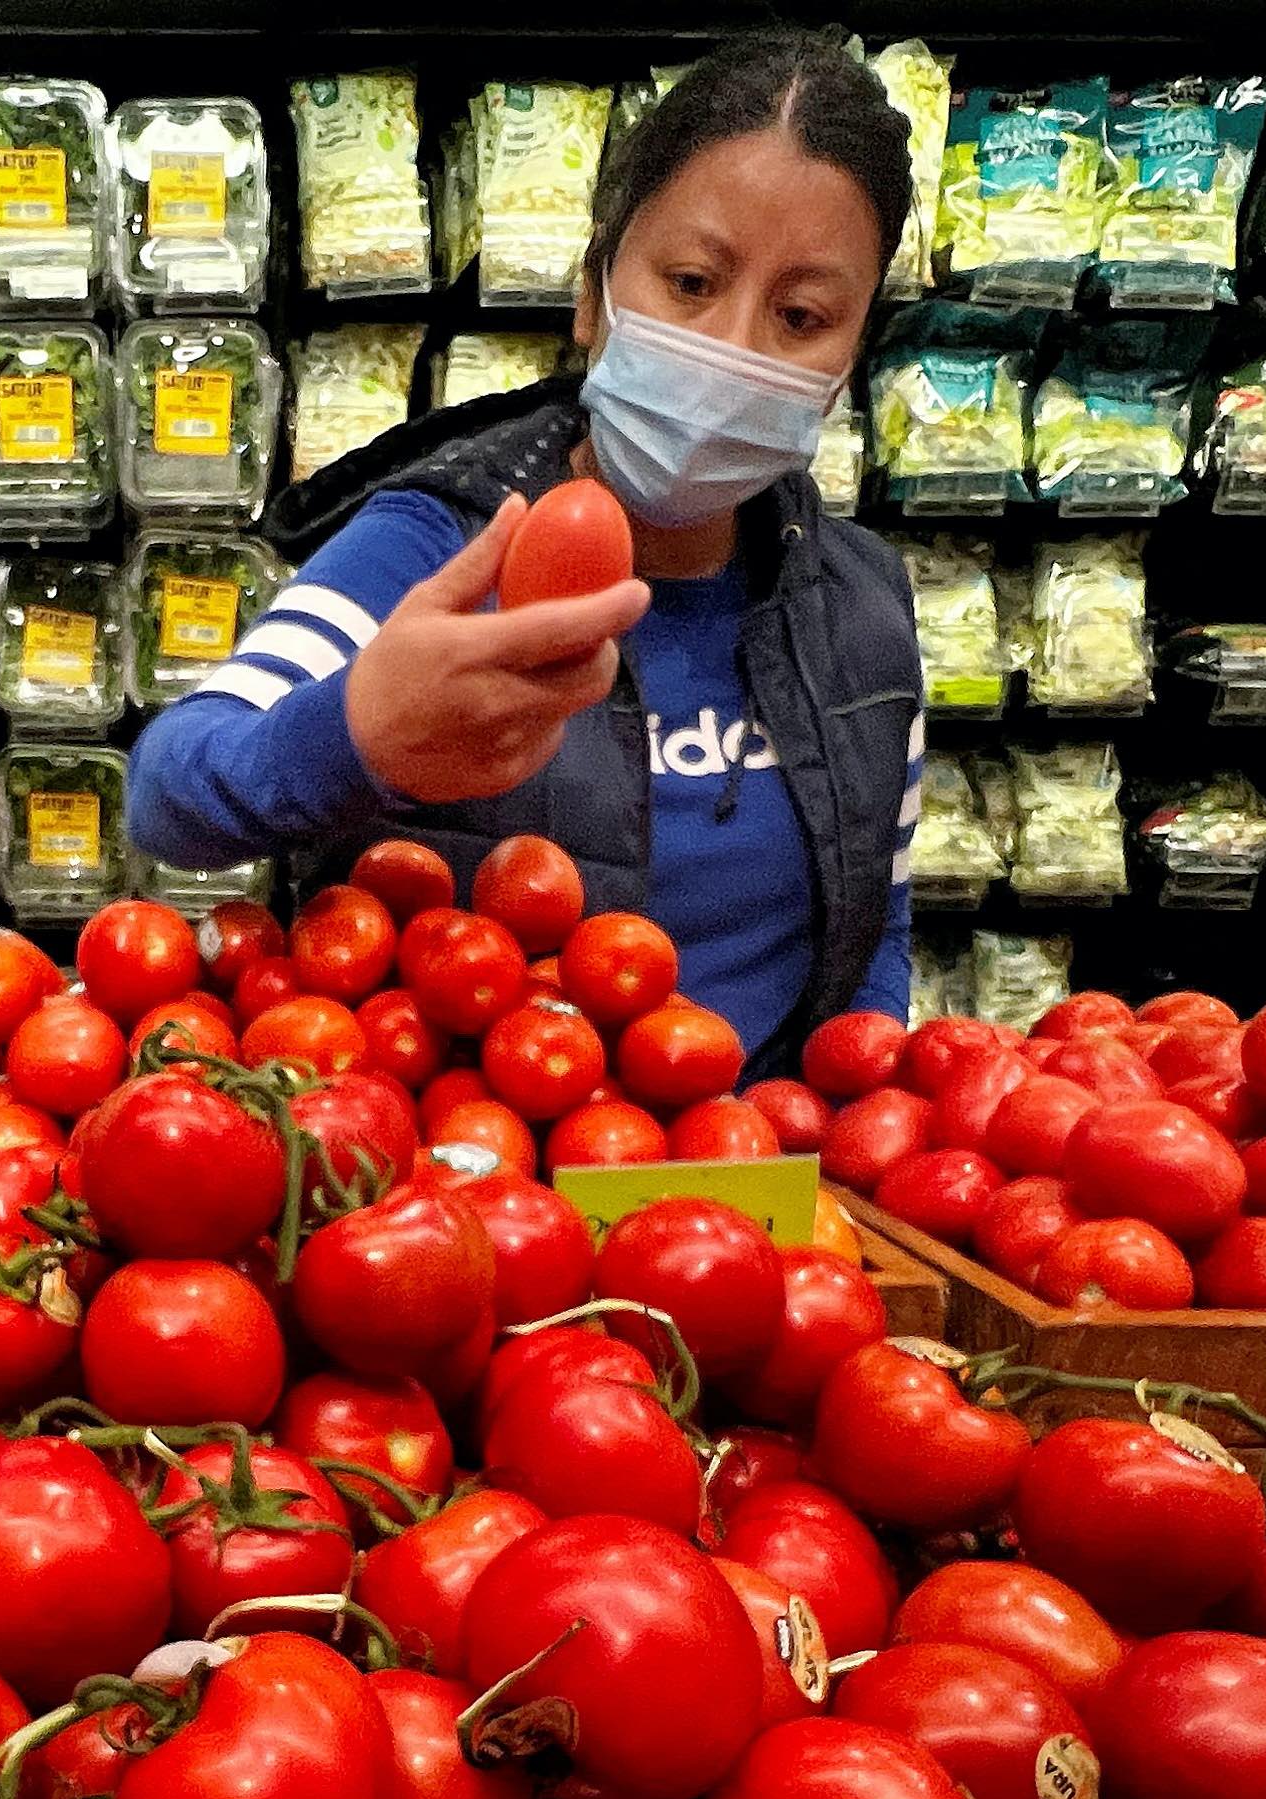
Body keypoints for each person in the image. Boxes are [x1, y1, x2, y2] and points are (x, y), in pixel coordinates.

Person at [129, 32, 921, 1082]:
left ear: (848, 357)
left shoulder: (862, 602)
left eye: (800, 316)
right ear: (593, 293)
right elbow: (170, 790)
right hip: (465, 1204)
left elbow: (878, 923)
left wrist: (860, 1127)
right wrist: (357, 729)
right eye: (689, 281)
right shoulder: (433, 547)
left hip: (758, 1207)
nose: (733, 346)